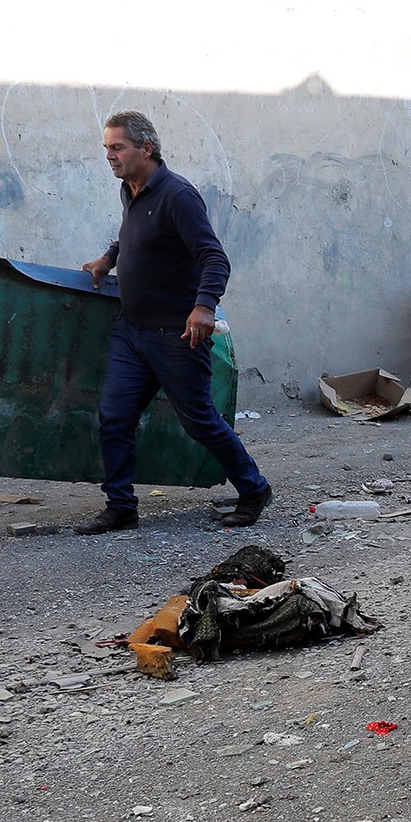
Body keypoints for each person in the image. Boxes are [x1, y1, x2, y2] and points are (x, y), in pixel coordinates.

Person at [74, 110, 271, 534]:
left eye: (117, 147)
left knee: (199, 420)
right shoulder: (130, 189)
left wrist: (204, 307)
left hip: (175, 335)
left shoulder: (178, 195)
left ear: (146, 148)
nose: (109, 156)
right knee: (114, 416)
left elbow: (214, 258)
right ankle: (121, 506)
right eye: (106, 148)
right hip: (132, 331)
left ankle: (254, 489)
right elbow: (132, 236)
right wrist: (109, 258)